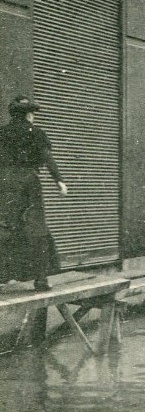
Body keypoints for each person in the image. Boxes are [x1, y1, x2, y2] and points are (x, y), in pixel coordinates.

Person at [0, 96, 68, 291]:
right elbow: (47, 159)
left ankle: (5, 275)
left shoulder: (2, 132)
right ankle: (40, 279)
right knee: (36, 228)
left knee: (5, 226)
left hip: (4, 183)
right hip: (29, 182)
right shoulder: (36, 133)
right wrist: (59, 181)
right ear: (29, 115)